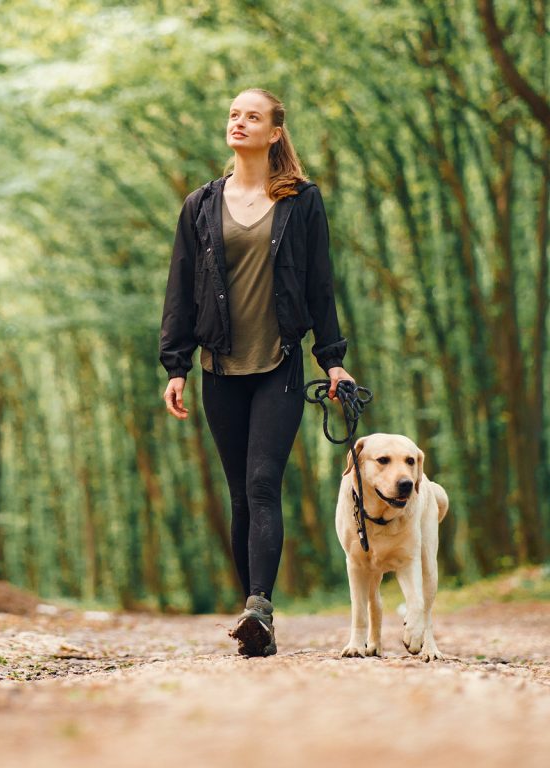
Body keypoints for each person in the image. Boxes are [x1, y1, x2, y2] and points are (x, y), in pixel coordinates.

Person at [159, 88, 354, 657]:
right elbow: (179, 287)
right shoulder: (199, 204)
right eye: (233, 114)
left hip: (280, 364)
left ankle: (260, 608)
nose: (238, 122)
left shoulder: (302, 201)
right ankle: (255, 620)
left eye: (252, 116)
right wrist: (176, 365)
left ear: (275, 133)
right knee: (239, 496)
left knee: (264, 482)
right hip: (219, 364)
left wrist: (333, 359)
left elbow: (320, 283)